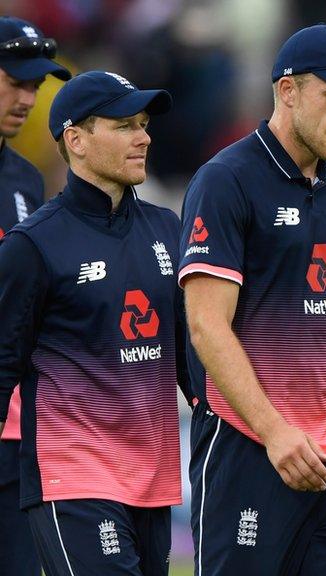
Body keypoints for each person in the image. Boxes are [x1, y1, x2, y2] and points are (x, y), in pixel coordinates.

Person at [179, 24, 326, 575]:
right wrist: (276, 432)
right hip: (251, 447)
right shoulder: (226, 180)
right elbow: (206, 326)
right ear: (287, 91)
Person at [0, 69, 181, 575]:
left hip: (152, 478)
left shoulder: (170, 230)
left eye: (144, 123)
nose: (143, 136)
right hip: (70, 478)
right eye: (124, 125)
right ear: (75, 140)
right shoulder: (32, 244)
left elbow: (195, 360)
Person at [0, 16, 70, 576]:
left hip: (14, 430)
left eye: (35, 85)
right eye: (17, 81)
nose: (30, 98)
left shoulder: (25, 180)